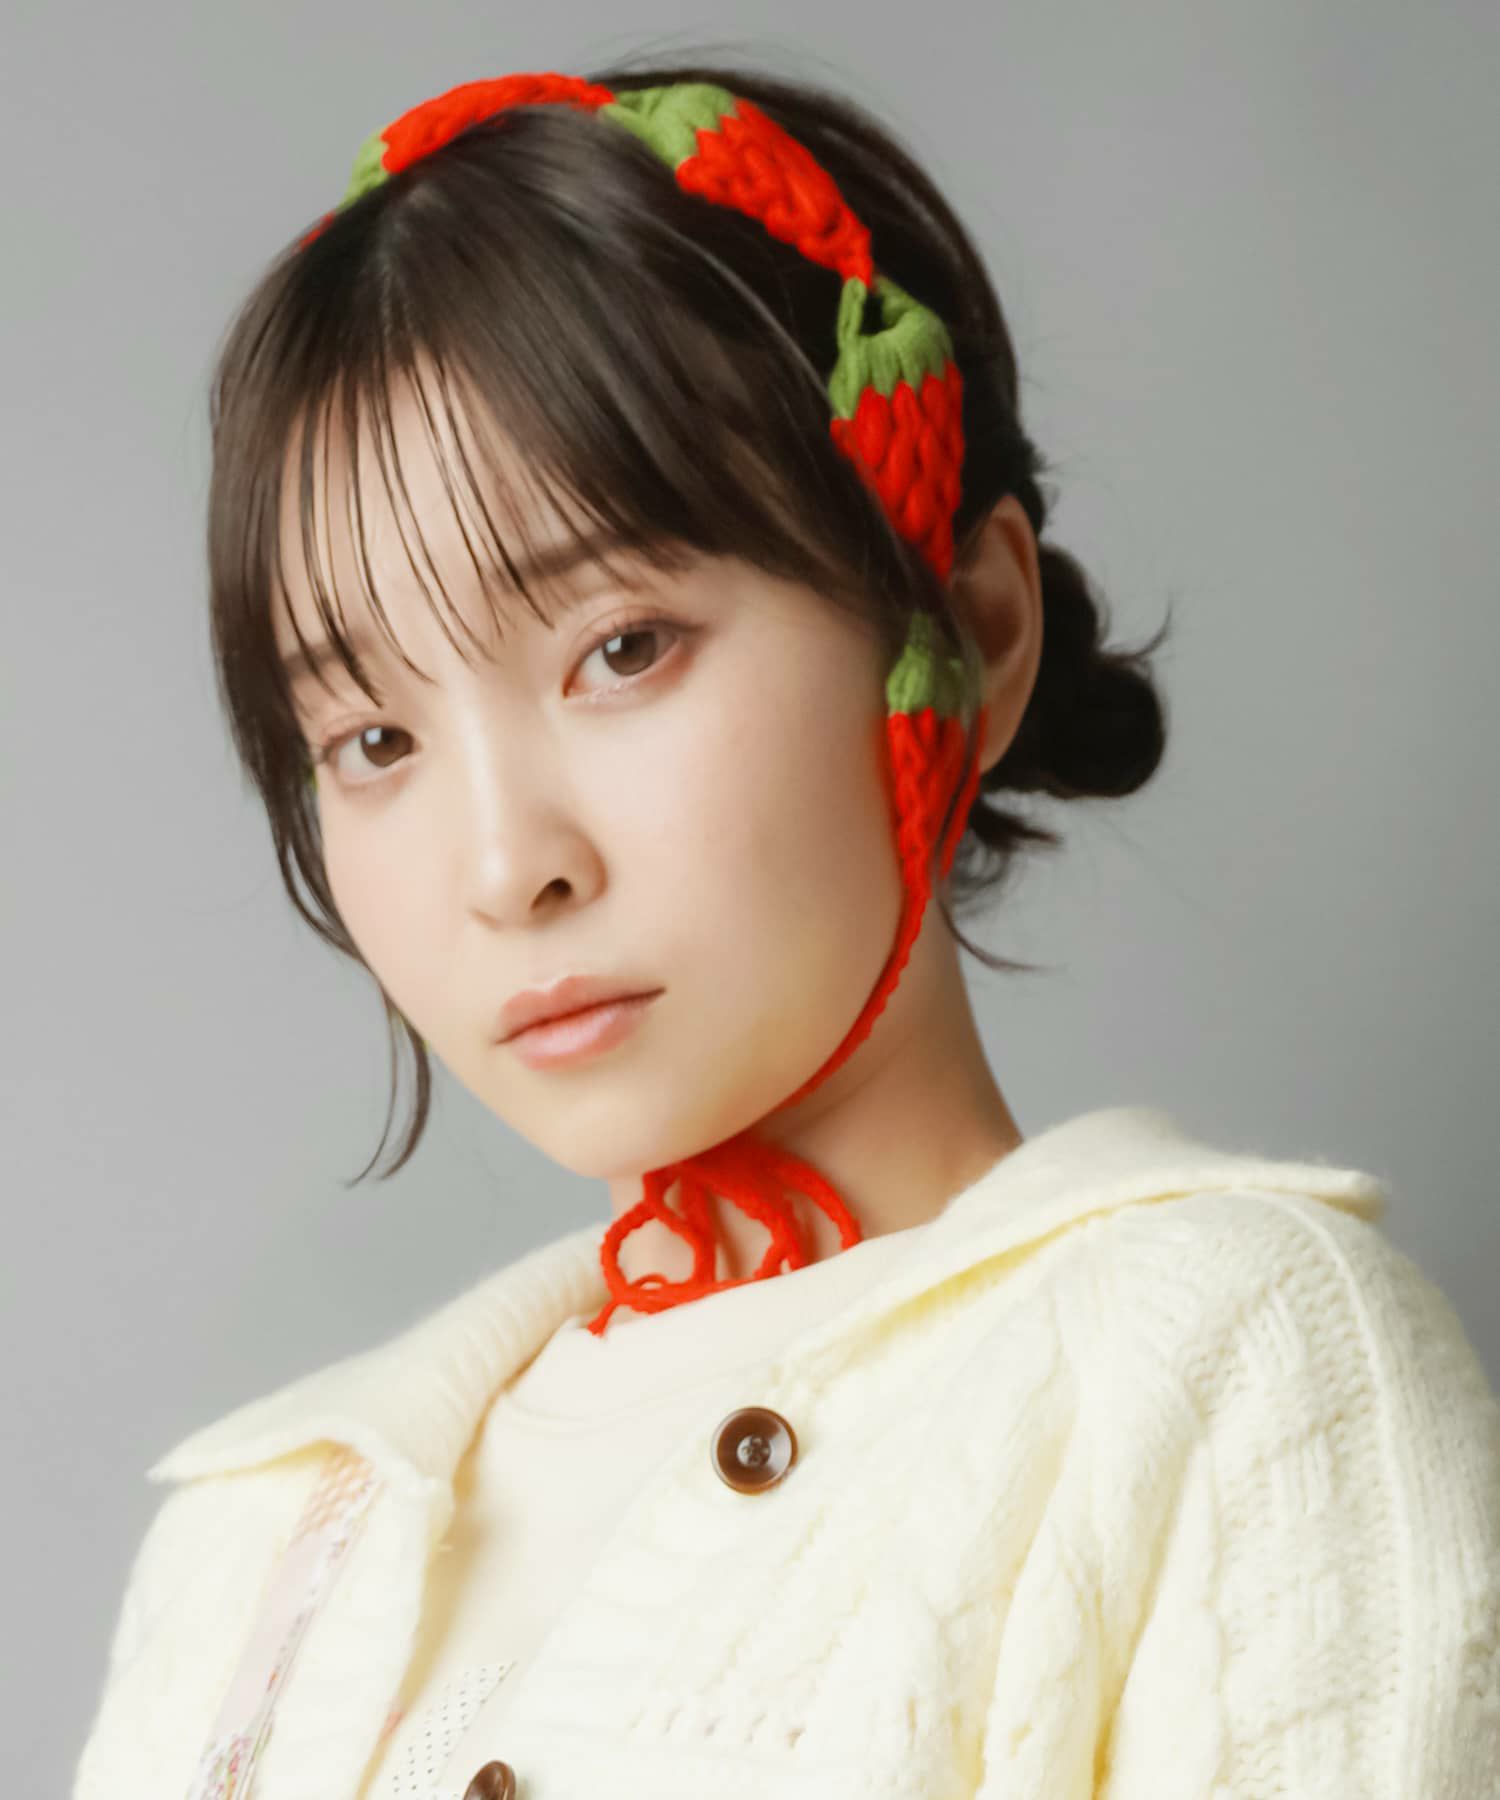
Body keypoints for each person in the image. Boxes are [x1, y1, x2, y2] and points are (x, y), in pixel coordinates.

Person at [74, 52, 1500, 1800]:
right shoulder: (257, 1542)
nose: (505, 866)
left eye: (623, 650)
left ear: (970, 629)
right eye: (373, 742)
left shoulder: (1231, 1365)